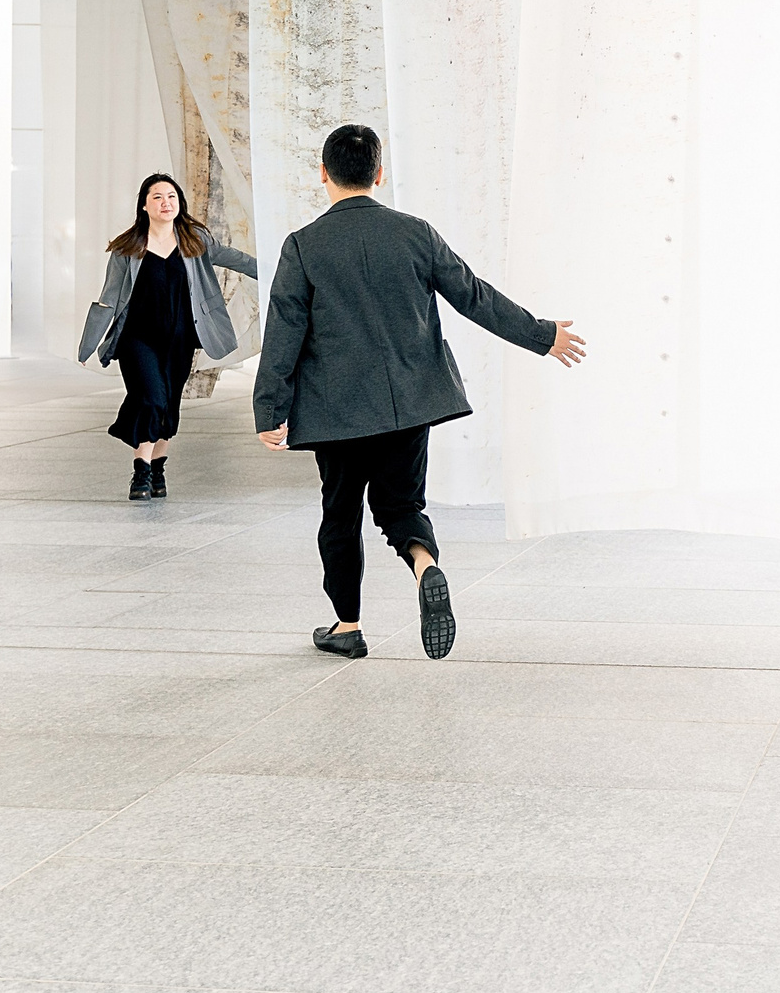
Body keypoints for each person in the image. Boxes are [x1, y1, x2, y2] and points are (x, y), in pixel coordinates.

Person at [256, 124, 585, 660]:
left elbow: (284, 329)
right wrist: (542, 335)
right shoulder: (416, 233)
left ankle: (347, 626)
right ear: (379, 174)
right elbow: (474, 296)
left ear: (323, 174)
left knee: (340, 514)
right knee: (401, 504)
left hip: (337, 410)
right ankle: (425, 566)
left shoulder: (303, 245)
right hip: (408, 402)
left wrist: (270, 408)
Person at [78, 174, 259, 501]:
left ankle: (158, 469)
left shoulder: (195, 240)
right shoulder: (127, 248)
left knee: (168, 404)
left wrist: (280, 270)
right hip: (137, 340)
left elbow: (237, 259)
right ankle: (141, 472)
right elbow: (109, 297)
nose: (166, 203)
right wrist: (88, 344)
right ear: (144, 205)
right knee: (152, 399)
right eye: (158, 197)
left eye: (172, 196)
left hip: (180, 339)